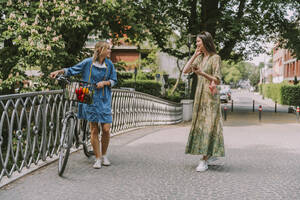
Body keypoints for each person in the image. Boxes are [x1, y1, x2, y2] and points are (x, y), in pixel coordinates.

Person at [50, 41, 117, 169]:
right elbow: (72, 70)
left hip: (104, 99)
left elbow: (114, 80)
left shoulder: (109, 65)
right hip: (88, 97)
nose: (110, 51)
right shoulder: (88, 63)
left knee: (106, 130)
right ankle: (97, 158)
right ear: (100, 50)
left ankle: (104, 155)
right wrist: (59, 72)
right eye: (108, 49)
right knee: (94, 129)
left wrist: (106, 83)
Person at [183, 31, 225, 172]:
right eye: (196, 42)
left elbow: (217, 79)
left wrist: (202, 74)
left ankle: (204, 160)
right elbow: (185, 71)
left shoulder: (215, 58)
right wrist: (194, 54)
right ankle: (209, 154)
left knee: (209, 126)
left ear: (206, 42)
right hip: (199, 95)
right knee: (200, 125)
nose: (196, 44)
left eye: (198, 42)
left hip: (211, 98)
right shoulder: (199, 58)